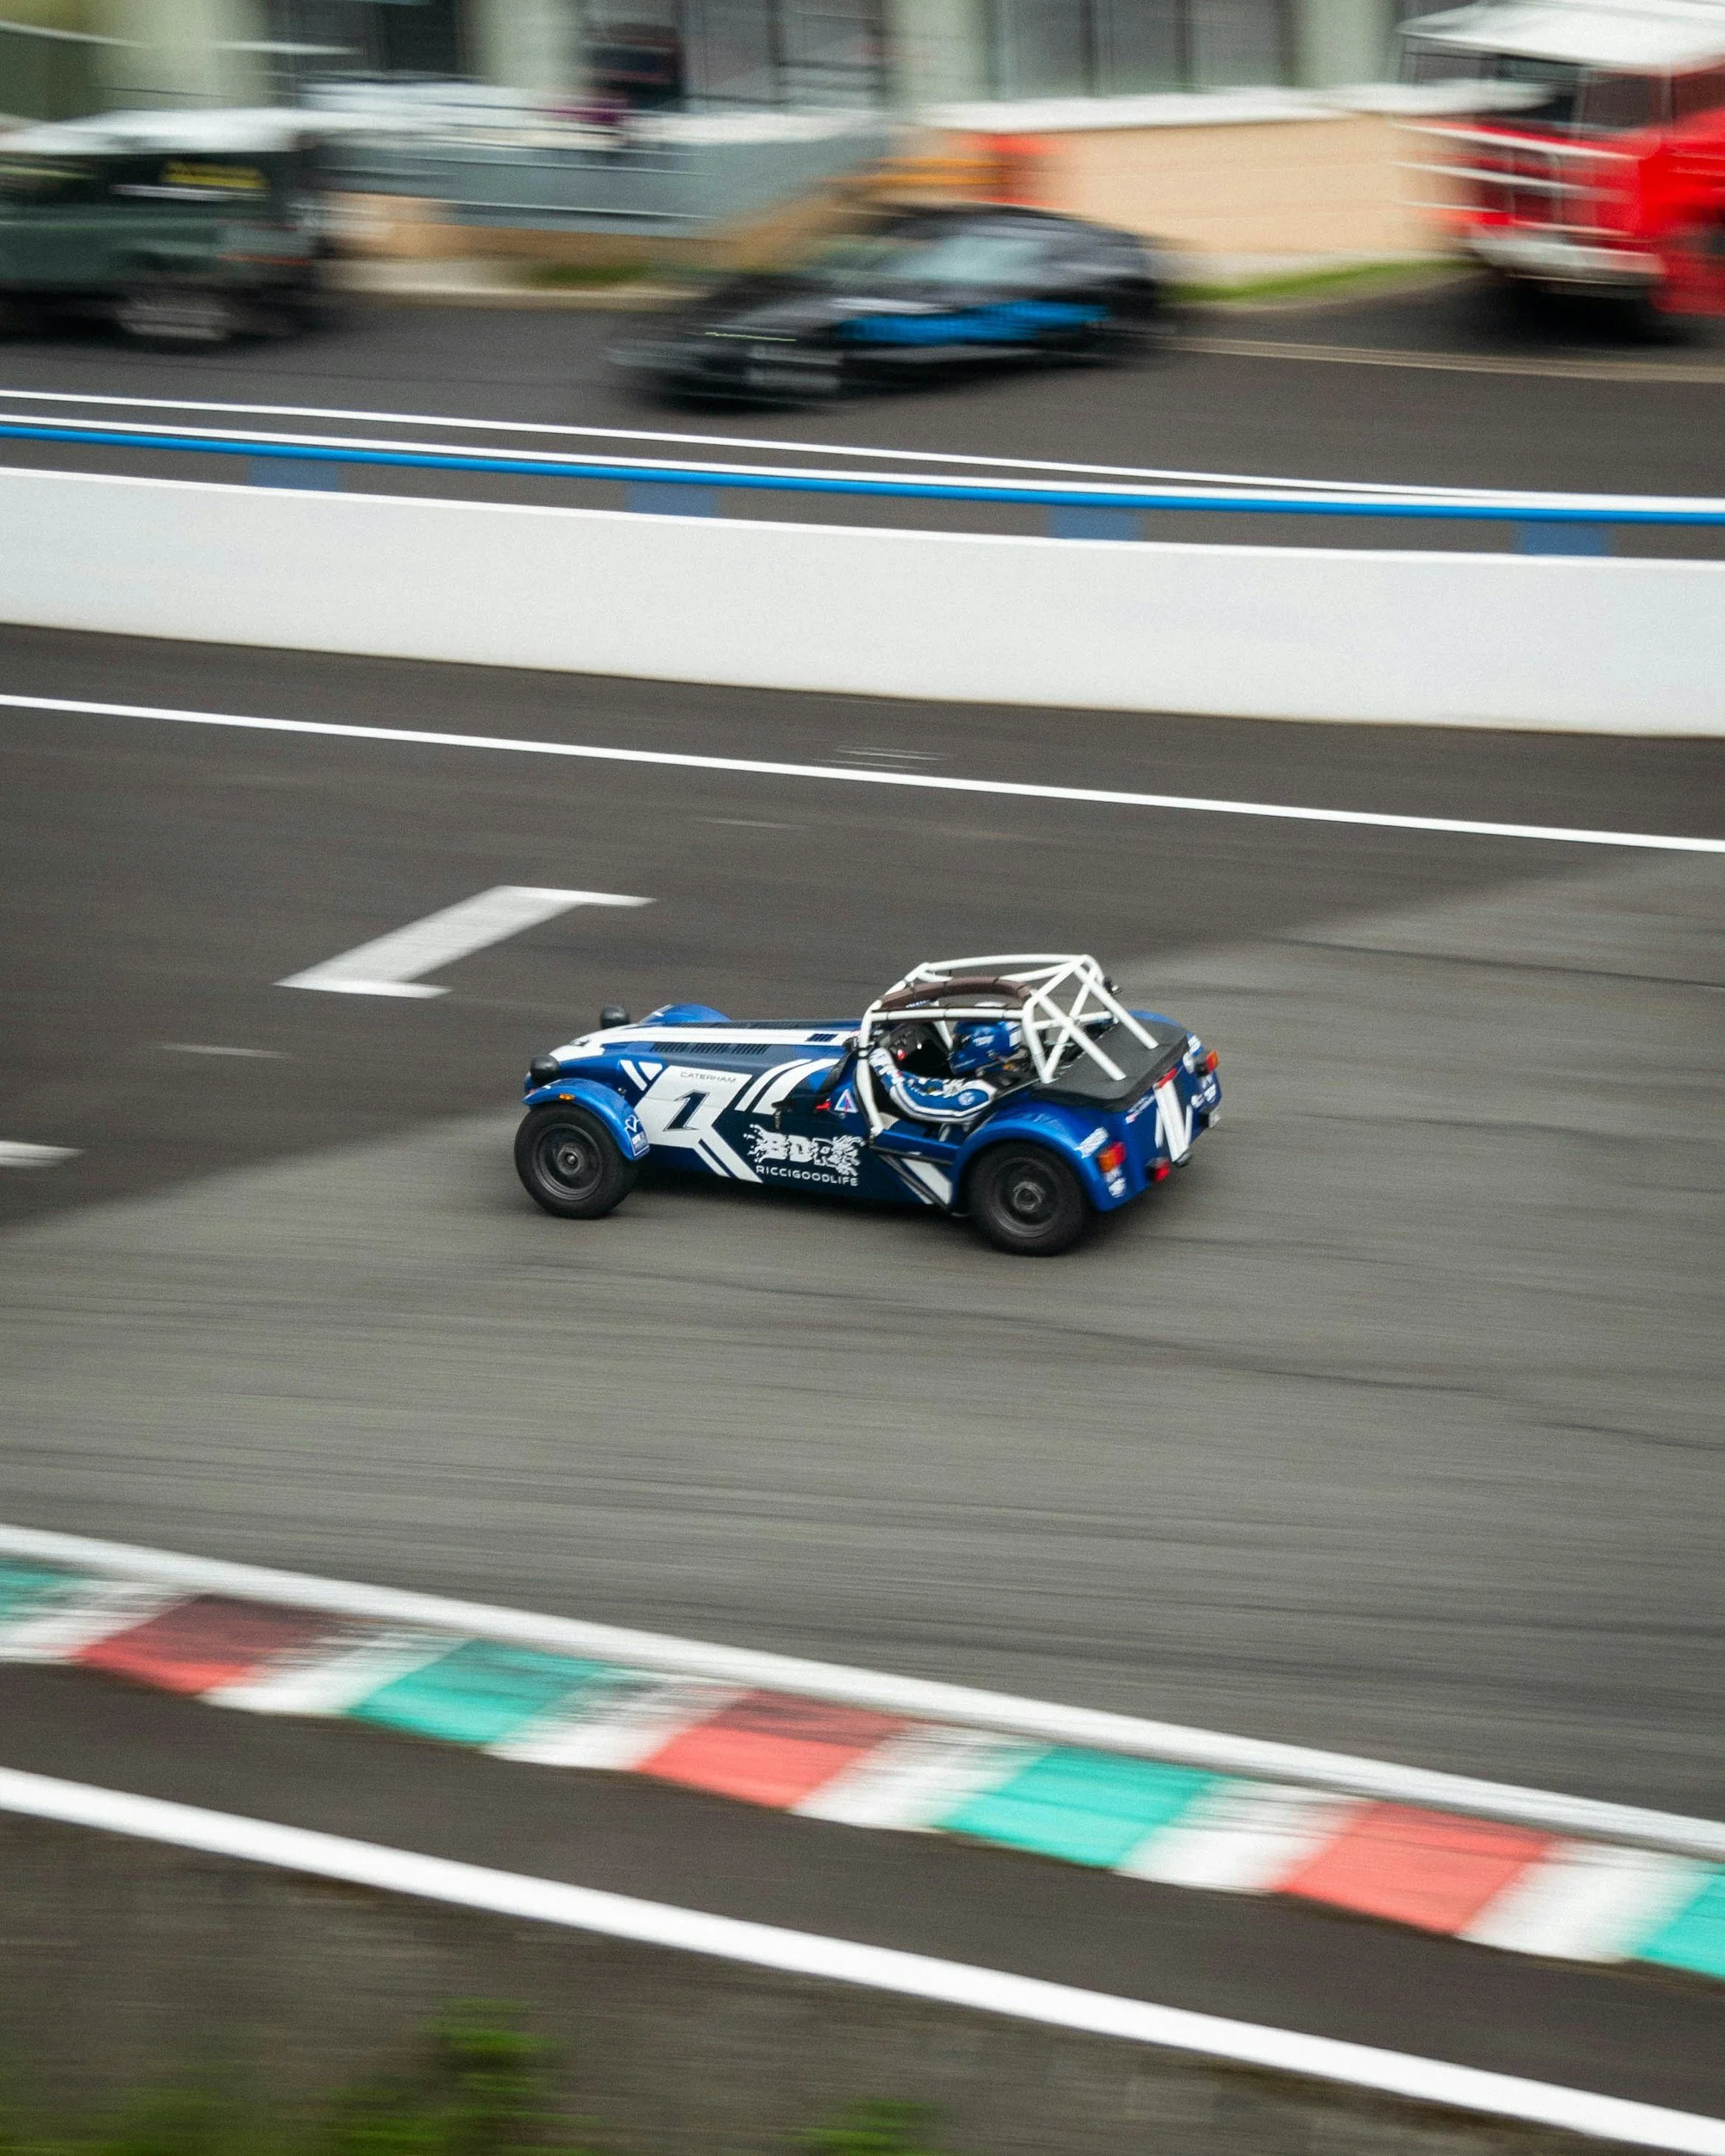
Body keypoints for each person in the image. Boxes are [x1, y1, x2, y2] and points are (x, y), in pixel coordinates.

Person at [867, 1018, 1022, 1125]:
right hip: (956, 1137)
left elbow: (915, 1105)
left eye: (959, 1042)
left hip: (943, 1153)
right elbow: (948, 1086)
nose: (955, 1048)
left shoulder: (981, 1094)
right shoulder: (1003, 1073)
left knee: (881, 1123)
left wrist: (885, 1069)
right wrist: (901, 1075)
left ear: (982, 1045)